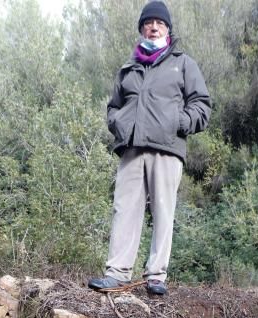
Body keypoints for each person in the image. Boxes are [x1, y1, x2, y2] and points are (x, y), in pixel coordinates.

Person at [88, 1, 211, 297]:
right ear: (142, 28)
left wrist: (177, 122)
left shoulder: (183, 63)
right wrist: (118, 123)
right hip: (131, 149)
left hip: (167, 149)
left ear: (167, 29)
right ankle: (117, 274)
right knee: (123, 210)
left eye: (159, 23)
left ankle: (156, 276)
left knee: (163, 211)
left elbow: (202, 106)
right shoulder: (128, 68)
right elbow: (113, 108)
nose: (153, 27)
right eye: (148, 23)